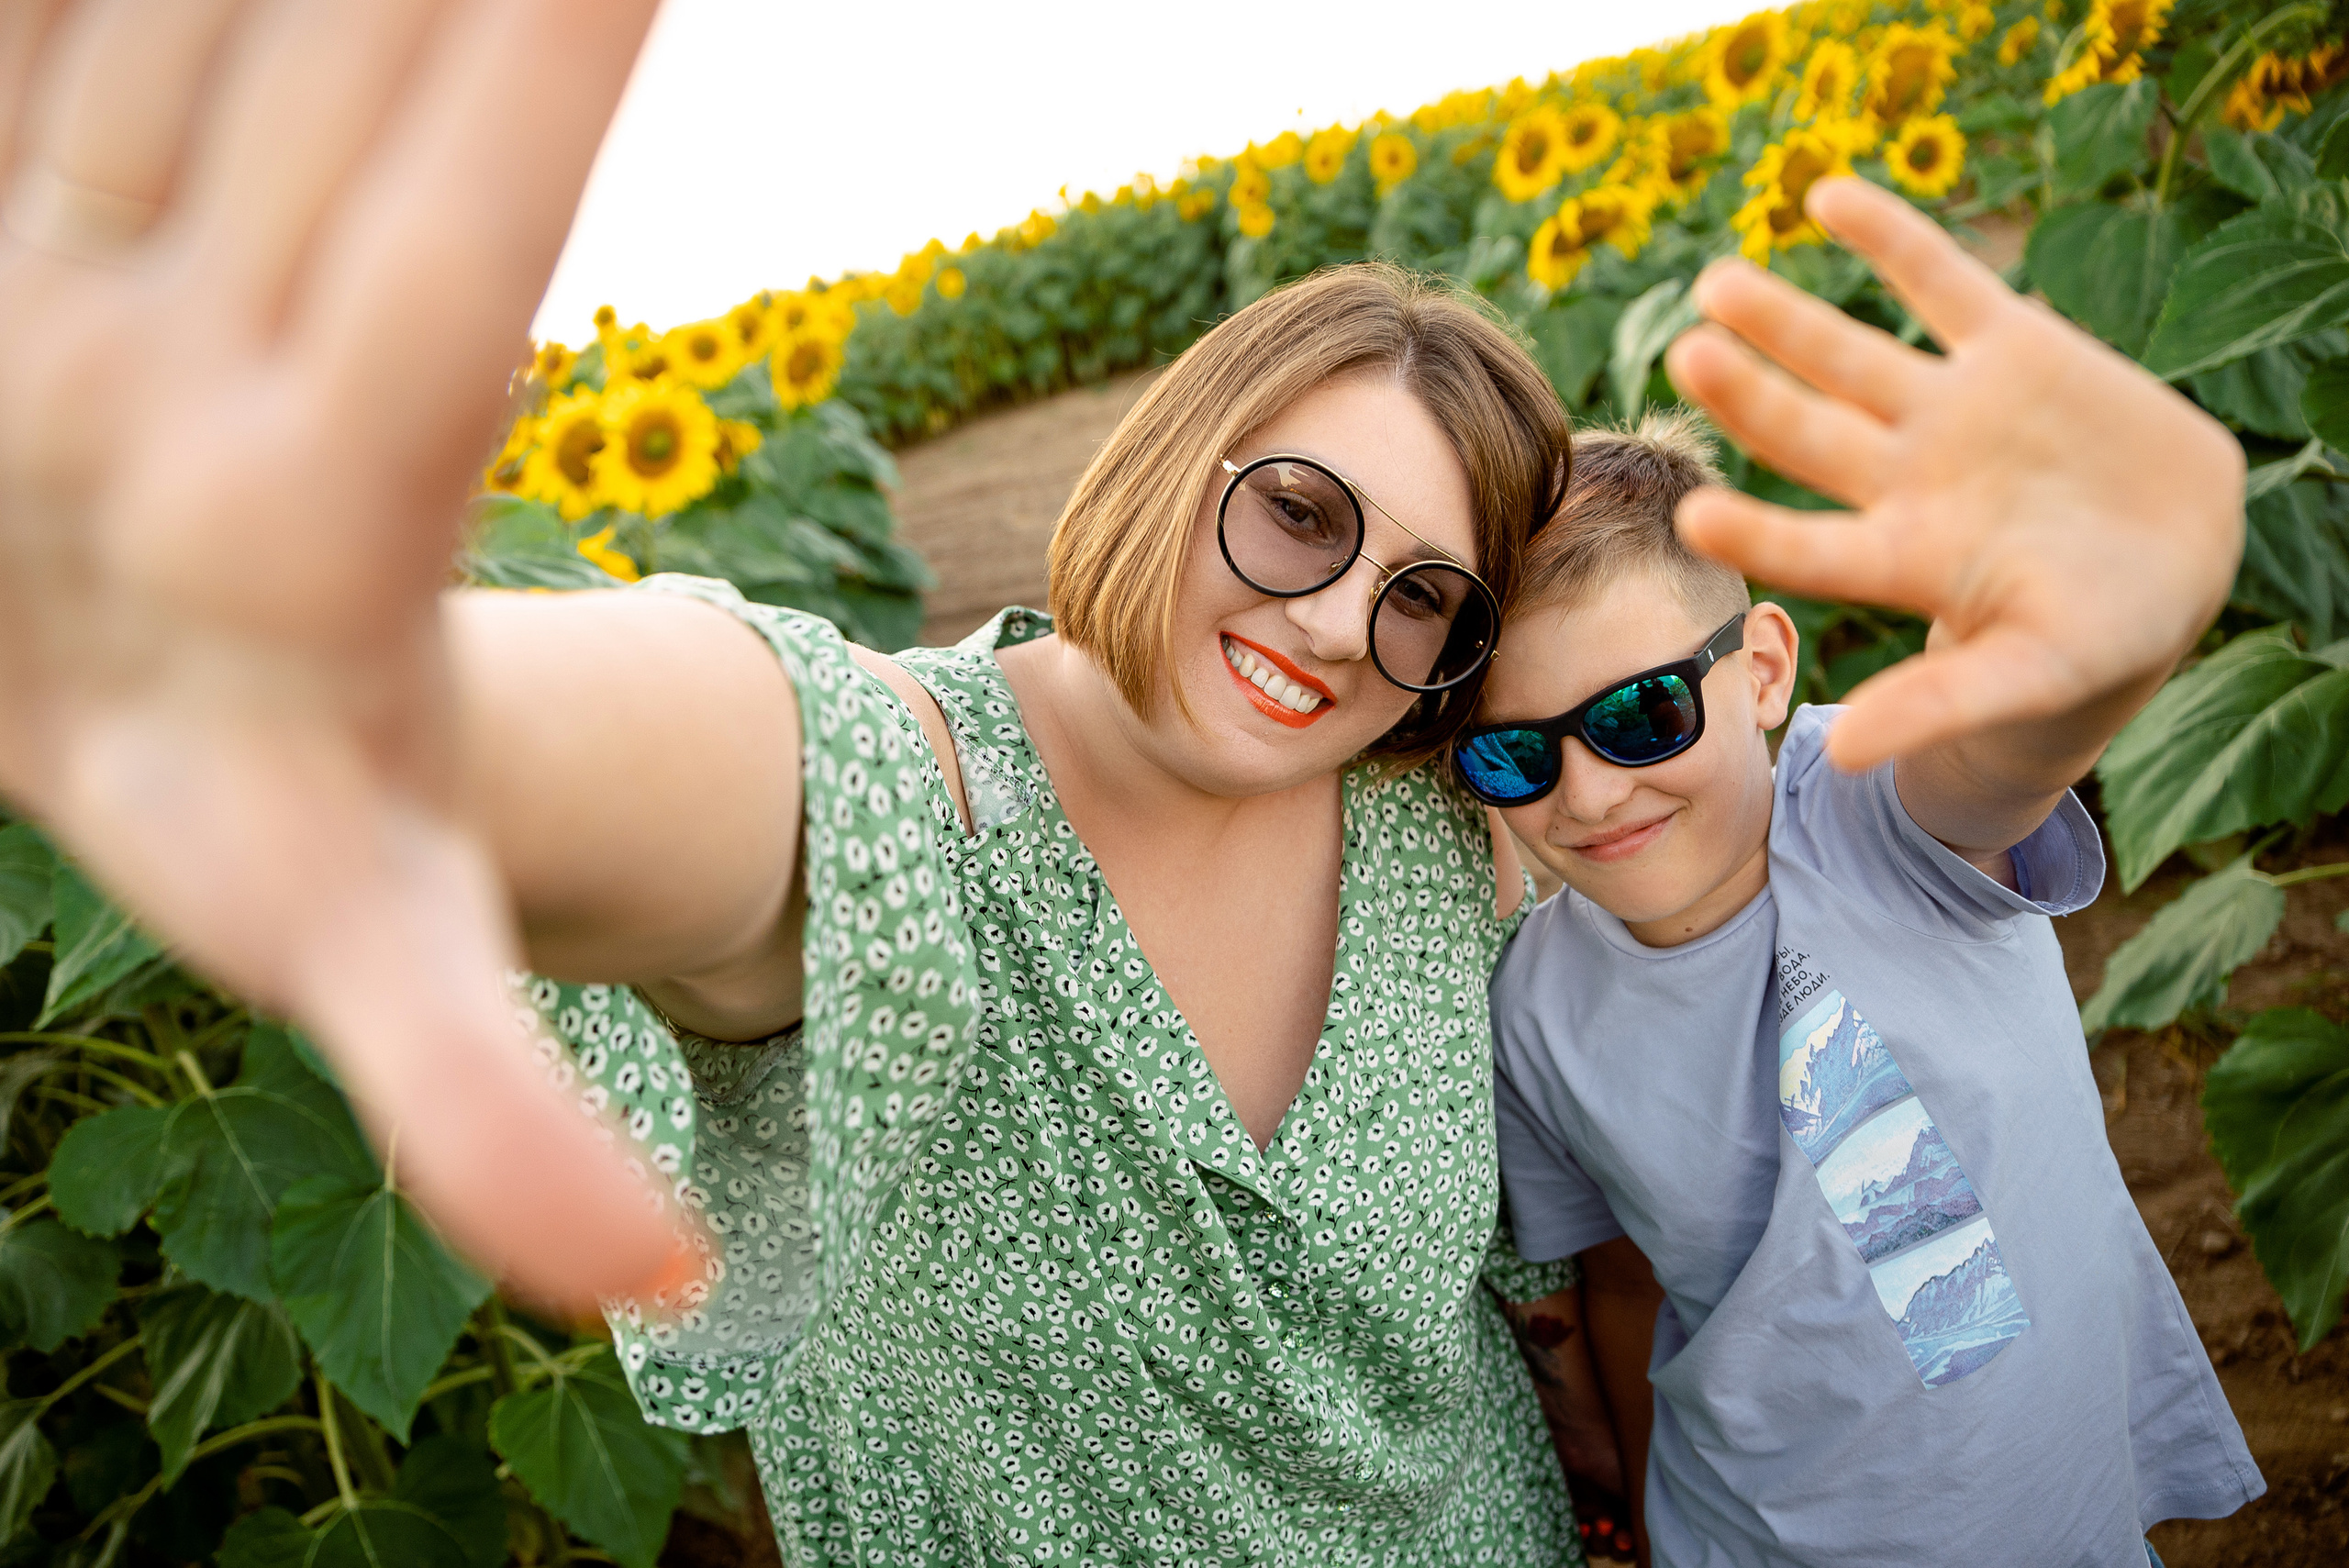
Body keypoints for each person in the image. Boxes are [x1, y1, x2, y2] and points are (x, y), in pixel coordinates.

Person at [0, 2, 2245, 1563]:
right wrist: (337, 675)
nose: (1325, 628)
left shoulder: (1434, 826)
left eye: (1416, 603)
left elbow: (1864, 843)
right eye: (1294, 516)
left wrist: (2121, 623)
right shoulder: (905, 801)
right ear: (1176, 458)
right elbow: (707, 746)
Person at [1463, 416, 2259, 1568]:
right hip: (1755, 1532)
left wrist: (2070, 597)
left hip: (2038, 1504)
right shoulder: (1534, 1010)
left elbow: (2002, 749)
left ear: (1765, 671)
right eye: (1511, 754)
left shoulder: (1874, 810)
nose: (1586, 795)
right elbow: (1624, 1280)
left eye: (1640, 716)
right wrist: (1628, 1516)